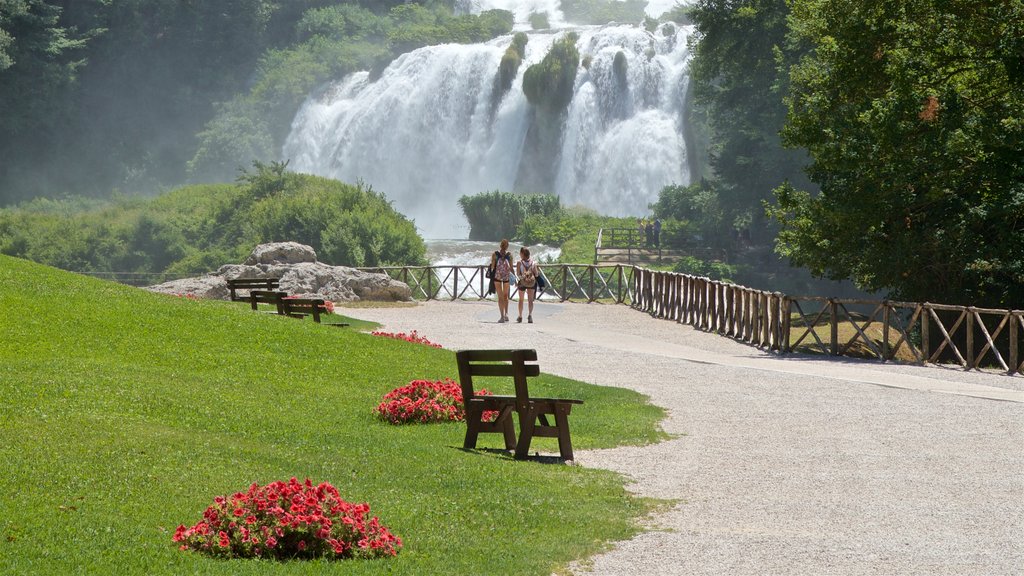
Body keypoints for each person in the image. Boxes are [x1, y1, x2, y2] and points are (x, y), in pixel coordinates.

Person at [490, 239, 514, 323]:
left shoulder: (495, 254)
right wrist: (515, 278)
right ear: (507, 246)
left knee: (500, 297)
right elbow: (511, 268)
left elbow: (493, 266)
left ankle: (502, 317)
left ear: (500, 245)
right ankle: (507, 314)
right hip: (506, 278)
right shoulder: (509, 255)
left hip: (497, 278)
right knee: (505, 296)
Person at [515, 246, 540, 323]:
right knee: (530, 300)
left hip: (522, 282)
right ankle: (530, 315)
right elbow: (536, 274)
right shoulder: (533, 263)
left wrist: (522, 277)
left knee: (521, 300)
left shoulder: (519, 263)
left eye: (520, 253)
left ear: (522, 254)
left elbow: (518, 274)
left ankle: (520, 316)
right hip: (531, 282)